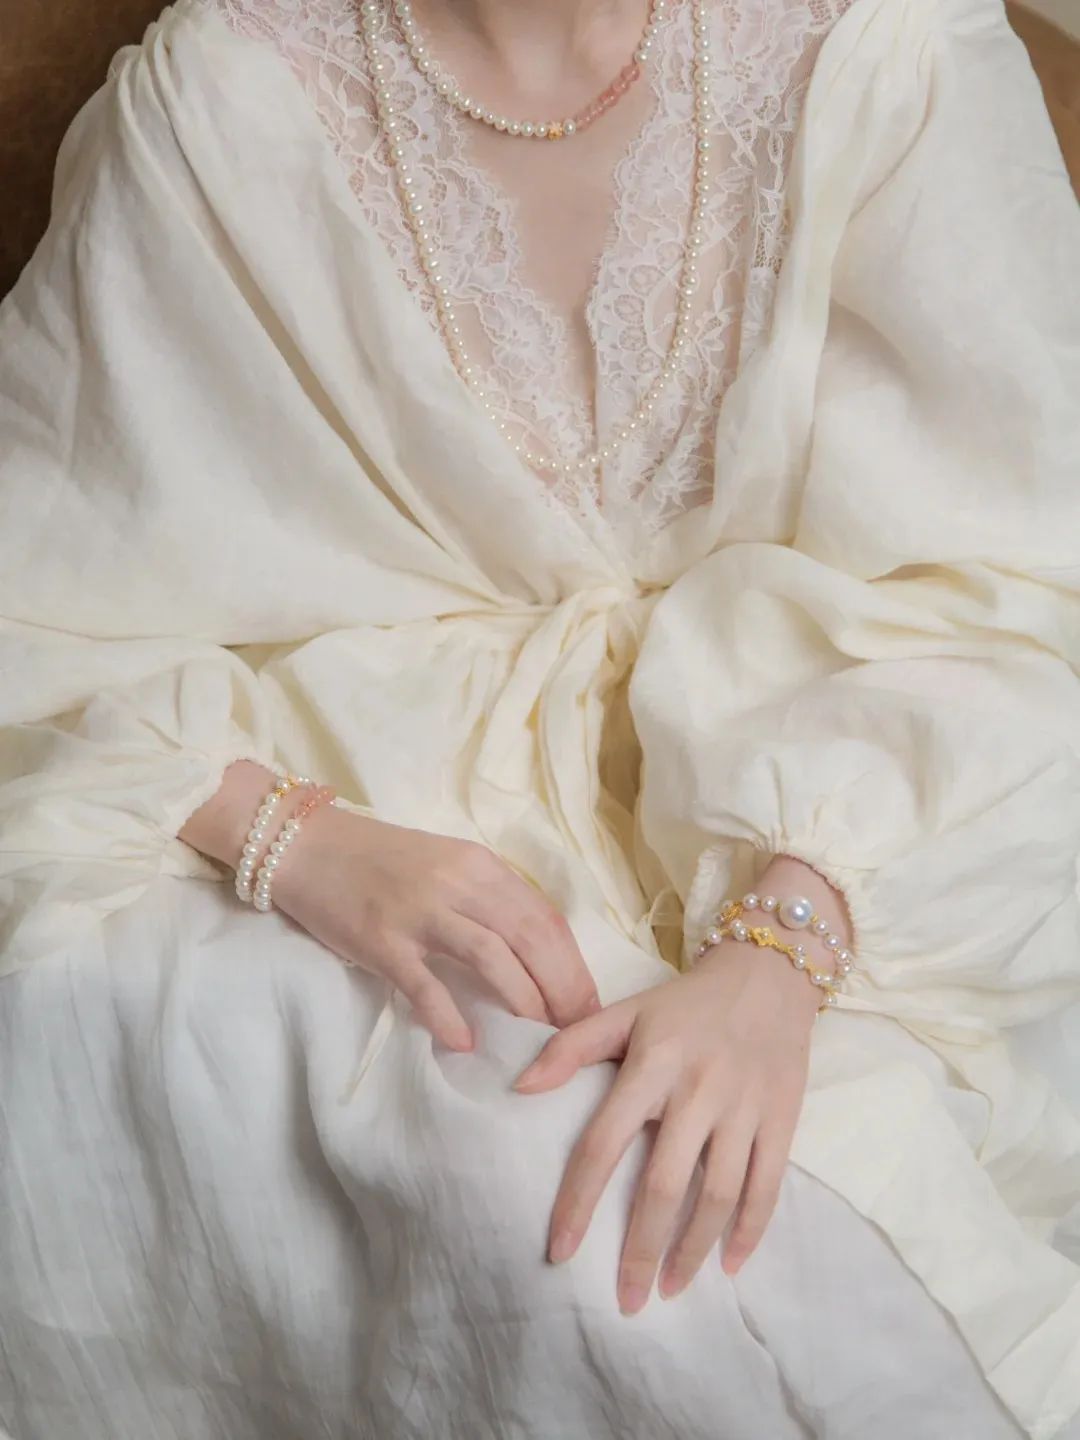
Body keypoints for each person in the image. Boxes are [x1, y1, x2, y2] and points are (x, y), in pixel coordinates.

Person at [1, 0, 1078, 1435]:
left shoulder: (885, 48)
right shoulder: (222, 99)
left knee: (782, 1259)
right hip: (361, 790)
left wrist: (785, 945)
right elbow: (42, 580)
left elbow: (1018, 576)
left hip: (875, 795)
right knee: (528, 1209)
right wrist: (293, 838)